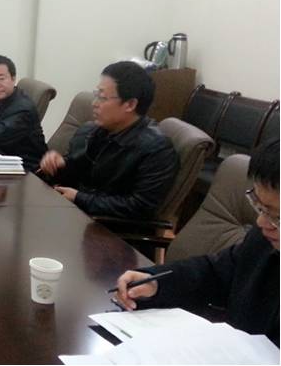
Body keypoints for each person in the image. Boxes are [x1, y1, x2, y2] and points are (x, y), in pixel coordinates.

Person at [113, 140, 279, 346]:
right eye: (260, 207)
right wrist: (156, 282)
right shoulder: (263, 240)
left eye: (277, 216)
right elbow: (215, 273)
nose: (261, 222)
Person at [38, 61, 178, 219]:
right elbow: (79, 174)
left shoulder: (156, 149)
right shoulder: (95, 131)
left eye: (102, 97)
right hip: (80, 216)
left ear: (130, 104)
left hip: (110, 229)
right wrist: (59, 166)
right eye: (96, 95)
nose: (94, 103)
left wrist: (79, 198)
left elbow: (140, 207)